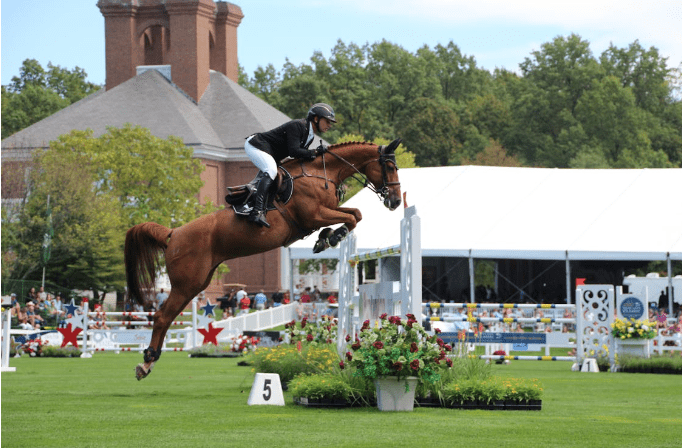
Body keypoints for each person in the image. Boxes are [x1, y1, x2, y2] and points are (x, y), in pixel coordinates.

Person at [243, 103, 336, 227]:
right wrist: (315, 152)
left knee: (276, 171)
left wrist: (316, 154)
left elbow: (300, 156)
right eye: (327, 121)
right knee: (271, 170)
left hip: (270, 153)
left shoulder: (309, 136)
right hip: (256, 145)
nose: (329, 125)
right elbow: (294, 151)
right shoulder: (298, 125)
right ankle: (257, 211)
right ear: (316, 118)